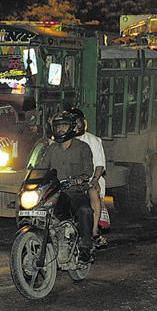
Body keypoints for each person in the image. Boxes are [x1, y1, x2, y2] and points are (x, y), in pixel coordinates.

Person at [36, 110, 95, 262]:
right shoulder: (51, 148)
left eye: (64, 126)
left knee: (85, 210)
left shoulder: (82, 148)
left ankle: (85, 248)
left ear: (72, 128)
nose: (60, 130)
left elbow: (88, 171)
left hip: (75, 192)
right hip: (55, 192)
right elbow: (41, 168)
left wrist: (78, 180)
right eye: (58, 127)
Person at [70, 108, 108, 248]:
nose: (77, 125)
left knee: (93, 195)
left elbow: (99, 164)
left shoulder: (92, 141)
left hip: (88, 180)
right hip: (67, 181)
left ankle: (94, 231)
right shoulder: (60, 141)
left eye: (78, 122)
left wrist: (94, 180)